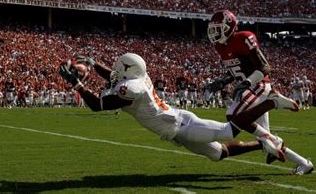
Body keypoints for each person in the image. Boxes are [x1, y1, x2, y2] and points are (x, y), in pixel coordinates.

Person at [59, 53, 299, 166]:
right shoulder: (136, 78)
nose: (114, 70)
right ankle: (264, 144)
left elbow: (97, 105)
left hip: (181, 124)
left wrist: (76, 83)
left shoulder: (132, 88)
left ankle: (272, 102)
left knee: (228, 130)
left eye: (119, 67)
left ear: (128, 70)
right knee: (219, 154)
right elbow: (111, 76)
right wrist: (91, 62)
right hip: (174, 130)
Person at [205, 10, 313, 175]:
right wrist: (221, 82)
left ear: (229, 26)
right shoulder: (220, 46)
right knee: (267, 138)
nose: (214, 32)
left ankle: (273, 101)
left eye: (218, 28)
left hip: (259, 85)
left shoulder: (242, 38)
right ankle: (304, 163)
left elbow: (264, 67)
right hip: (250, 86)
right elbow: (235, 71)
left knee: (232, 115)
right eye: (213, 29)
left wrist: (247, 83)